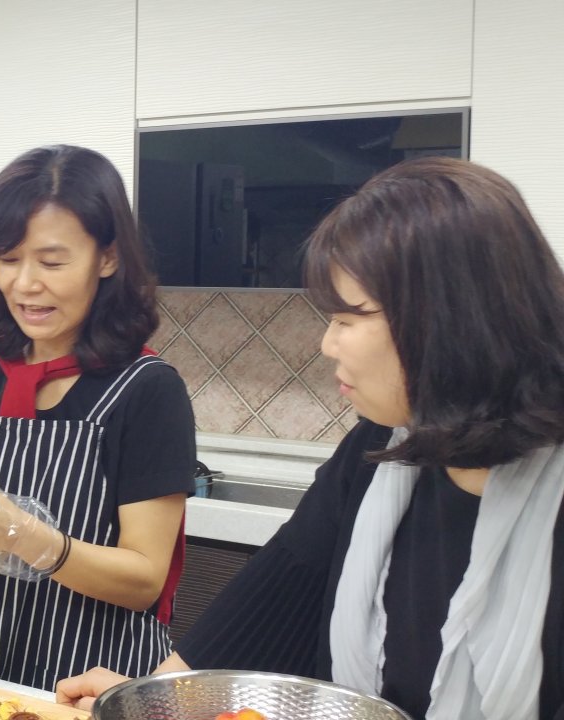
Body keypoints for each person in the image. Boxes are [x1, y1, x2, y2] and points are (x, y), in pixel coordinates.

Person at [57, 156, 564, 720]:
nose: (327, 344)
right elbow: (276, 591)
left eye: (349, 318)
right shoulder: (380, 448)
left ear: (450, 320)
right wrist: (156, 699)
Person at [0, 145, 196, 690]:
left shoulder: (147, 390)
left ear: (108, 258)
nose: (25, 283)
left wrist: (25, 536)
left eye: (51, 262)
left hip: (95, 682)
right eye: (7, 259)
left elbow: (144, 579)